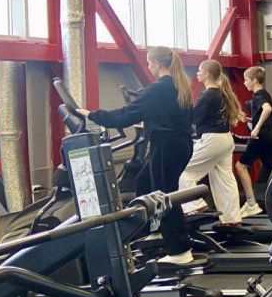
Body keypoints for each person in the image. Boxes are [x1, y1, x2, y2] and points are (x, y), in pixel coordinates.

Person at [76, 47, 194, 264]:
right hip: (178, 144)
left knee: (164, 194)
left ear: (156, 64)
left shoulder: (159, 88)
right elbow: (171, 115)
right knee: (144, 182)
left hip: (167, 145)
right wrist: (149, 123)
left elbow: (124, 115)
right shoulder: (178, 85)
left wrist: (92, 115)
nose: (148, 66)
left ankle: (180, 251)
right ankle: (155, 230)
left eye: (149, 63)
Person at [178, 60, 245, 225]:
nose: (197, 73)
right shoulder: (222, 93)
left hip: (212, 139)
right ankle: (231, 219)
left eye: (200, 70)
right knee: (225, 180)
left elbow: (193, 117)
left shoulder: (207, 95)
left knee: (182, 170)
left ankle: (195, 204)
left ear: (207, 74)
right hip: (226, 139)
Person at [235, 66, 272, 217]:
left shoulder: (258, 95)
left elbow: (267, 109)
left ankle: (251, 203)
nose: (244, 83)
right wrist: (249, 119)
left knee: (240, 166)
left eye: (246, 80)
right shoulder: (265, 93)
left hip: (260, 138)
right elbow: (263, 113)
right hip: (270, 136)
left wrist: (256, 128)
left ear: (254, 80)